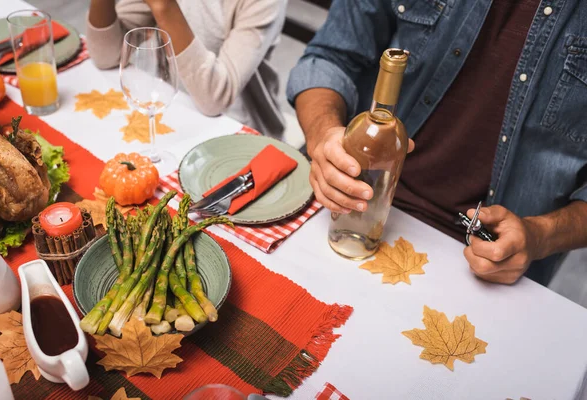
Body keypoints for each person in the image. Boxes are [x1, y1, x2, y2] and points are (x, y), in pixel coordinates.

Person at [287, 0, 587, 286]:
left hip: (485, 259)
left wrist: (541, 235)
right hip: (348, 209)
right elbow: (330, 56)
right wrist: (322, 134)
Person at [87, 0, 287, 140]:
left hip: (242, 132)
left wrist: (163, 5)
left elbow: (214, 99)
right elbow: (106, 56)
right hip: (173, 115)